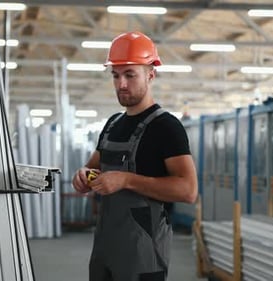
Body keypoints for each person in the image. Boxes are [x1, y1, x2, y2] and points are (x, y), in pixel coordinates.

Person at [71, 31, 198, 281]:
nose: (121, 84)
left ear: (151, 74)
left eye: (130, 74)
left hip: (142, 255)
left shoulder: (166, 127)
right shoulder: (112, 124)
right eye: (116, 76)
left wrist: (126, 180)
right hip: (105, 250)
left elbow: (188, 190)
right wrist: (83, 176)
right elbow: (91, 168)